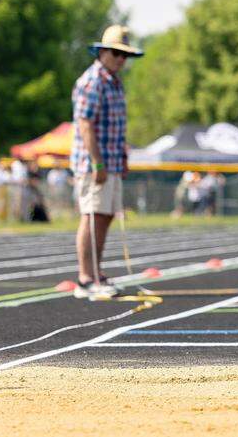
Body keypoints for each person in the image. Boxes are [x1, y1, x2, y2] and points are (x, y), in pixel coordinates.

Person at [70, 25, 143, 300]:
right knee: (91, 216)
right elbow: (85, 125)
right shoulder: (93, 81)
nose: (121, 60)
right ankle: (85, 278)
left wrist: (120, 159)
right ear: (102, 52)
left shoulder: (114, 81)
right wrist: (97, 163)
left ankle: (96, 273)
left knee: (105, 216)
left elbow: (117, 128)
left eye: (125, 55)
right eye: (116, 53)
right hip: (94, 164)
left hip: (111, 162)